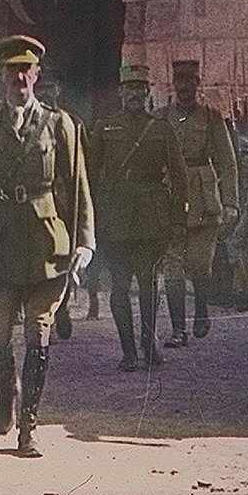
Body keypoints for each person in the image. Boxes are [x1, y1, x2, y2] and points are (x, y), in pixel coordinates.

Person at [0, 35, 93, 458]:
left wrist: (85, 242)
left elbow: (77, 188)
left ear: (37, 76)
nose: (19, 78)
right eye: (11, 71)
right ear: (1, 76)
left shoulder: (61, 125)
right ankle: (8, 391)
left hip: (47, 246)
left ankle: (29, 426)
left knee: (38, 336)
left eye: (26, 71)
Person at [88, 62, 187, 370]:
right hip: (115, 219)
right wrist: (91, 220)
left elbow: (180, 177)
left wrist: (178, 220)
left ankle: (149, 343)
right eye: (129, 89)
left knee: (149, 284)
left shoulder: (161, 128)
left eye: (140, 89)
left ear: (148, 93)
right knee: (119, 286)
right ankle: (128, 351)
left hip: (151, 219)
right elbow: (90, 177)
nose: (135, 94)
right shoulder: (104, 128)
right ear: (120, 92)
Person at [158, 58, 238, 346]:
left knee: (200, 265)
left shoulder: (211, 118)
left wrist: (231, 202)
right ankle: (178, 330)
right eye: (179, 82)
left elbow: (227, 163)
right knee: (173, 265)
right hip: (171, 197)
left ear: (197, 84)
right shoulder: (161, 117)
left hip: (204, 197)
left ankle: (202, 309)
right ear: (174, 85)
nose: (184, 88)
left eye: (190, 82)